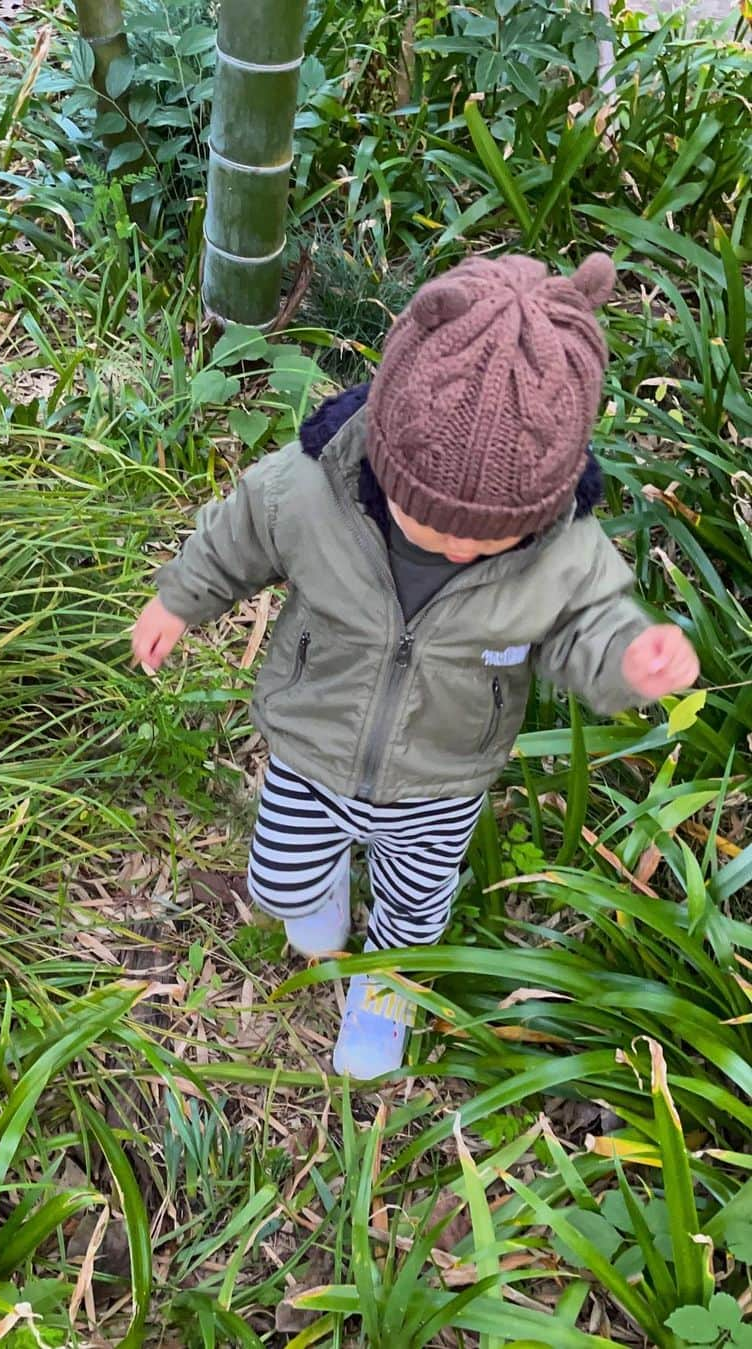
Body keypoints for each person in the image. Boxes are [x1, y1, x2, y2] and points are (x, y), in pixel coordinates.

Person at [131, 252, 699, 1080]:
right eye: (431, 521)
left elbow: (589, 626)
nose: (460, 545)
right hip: (313, 738)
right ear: (385, 450)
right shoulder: (312, 488)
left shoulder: (559, 554)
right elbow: (238, 532)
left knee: (414, 908)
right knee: (283, 878)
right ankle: (316, 894)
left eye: (489, 537)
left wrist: (629, 660)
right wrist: (180, 598)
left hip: (442, 775)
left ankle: (385, 988)